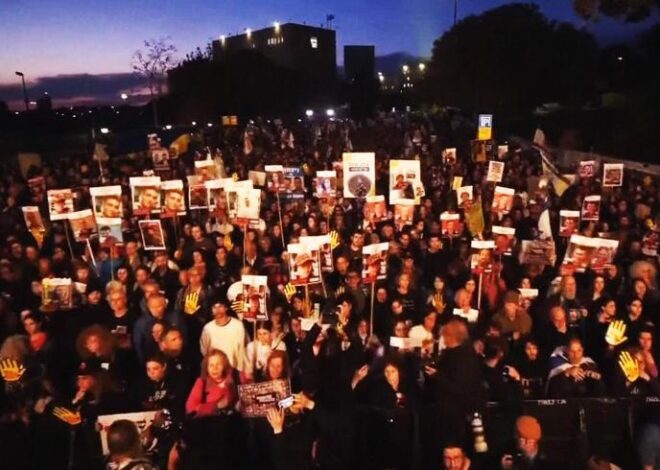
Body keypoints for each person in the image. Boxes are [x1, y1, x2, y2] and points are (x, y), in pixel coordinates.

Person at [199, 298, 248, 377]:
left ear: (226, 308)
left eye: (220, 306)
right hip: (215, 371)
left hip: (233, 370)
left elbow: (242, 350)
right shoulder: (207, 328)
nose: (217, 310)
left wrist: (240, 370)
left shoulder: (237, 325)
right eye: (214, 307)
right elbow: (204, 350)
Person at [185, 349, 237, 417]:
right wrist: (216, 406)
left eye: (218, 364)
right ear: (206, 367)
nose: (215, 368)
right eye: (211, 365)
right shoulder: (202, 382)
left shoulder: (235, 379)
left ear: (224, 365)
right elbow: (190, 409)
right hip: (210, 424)